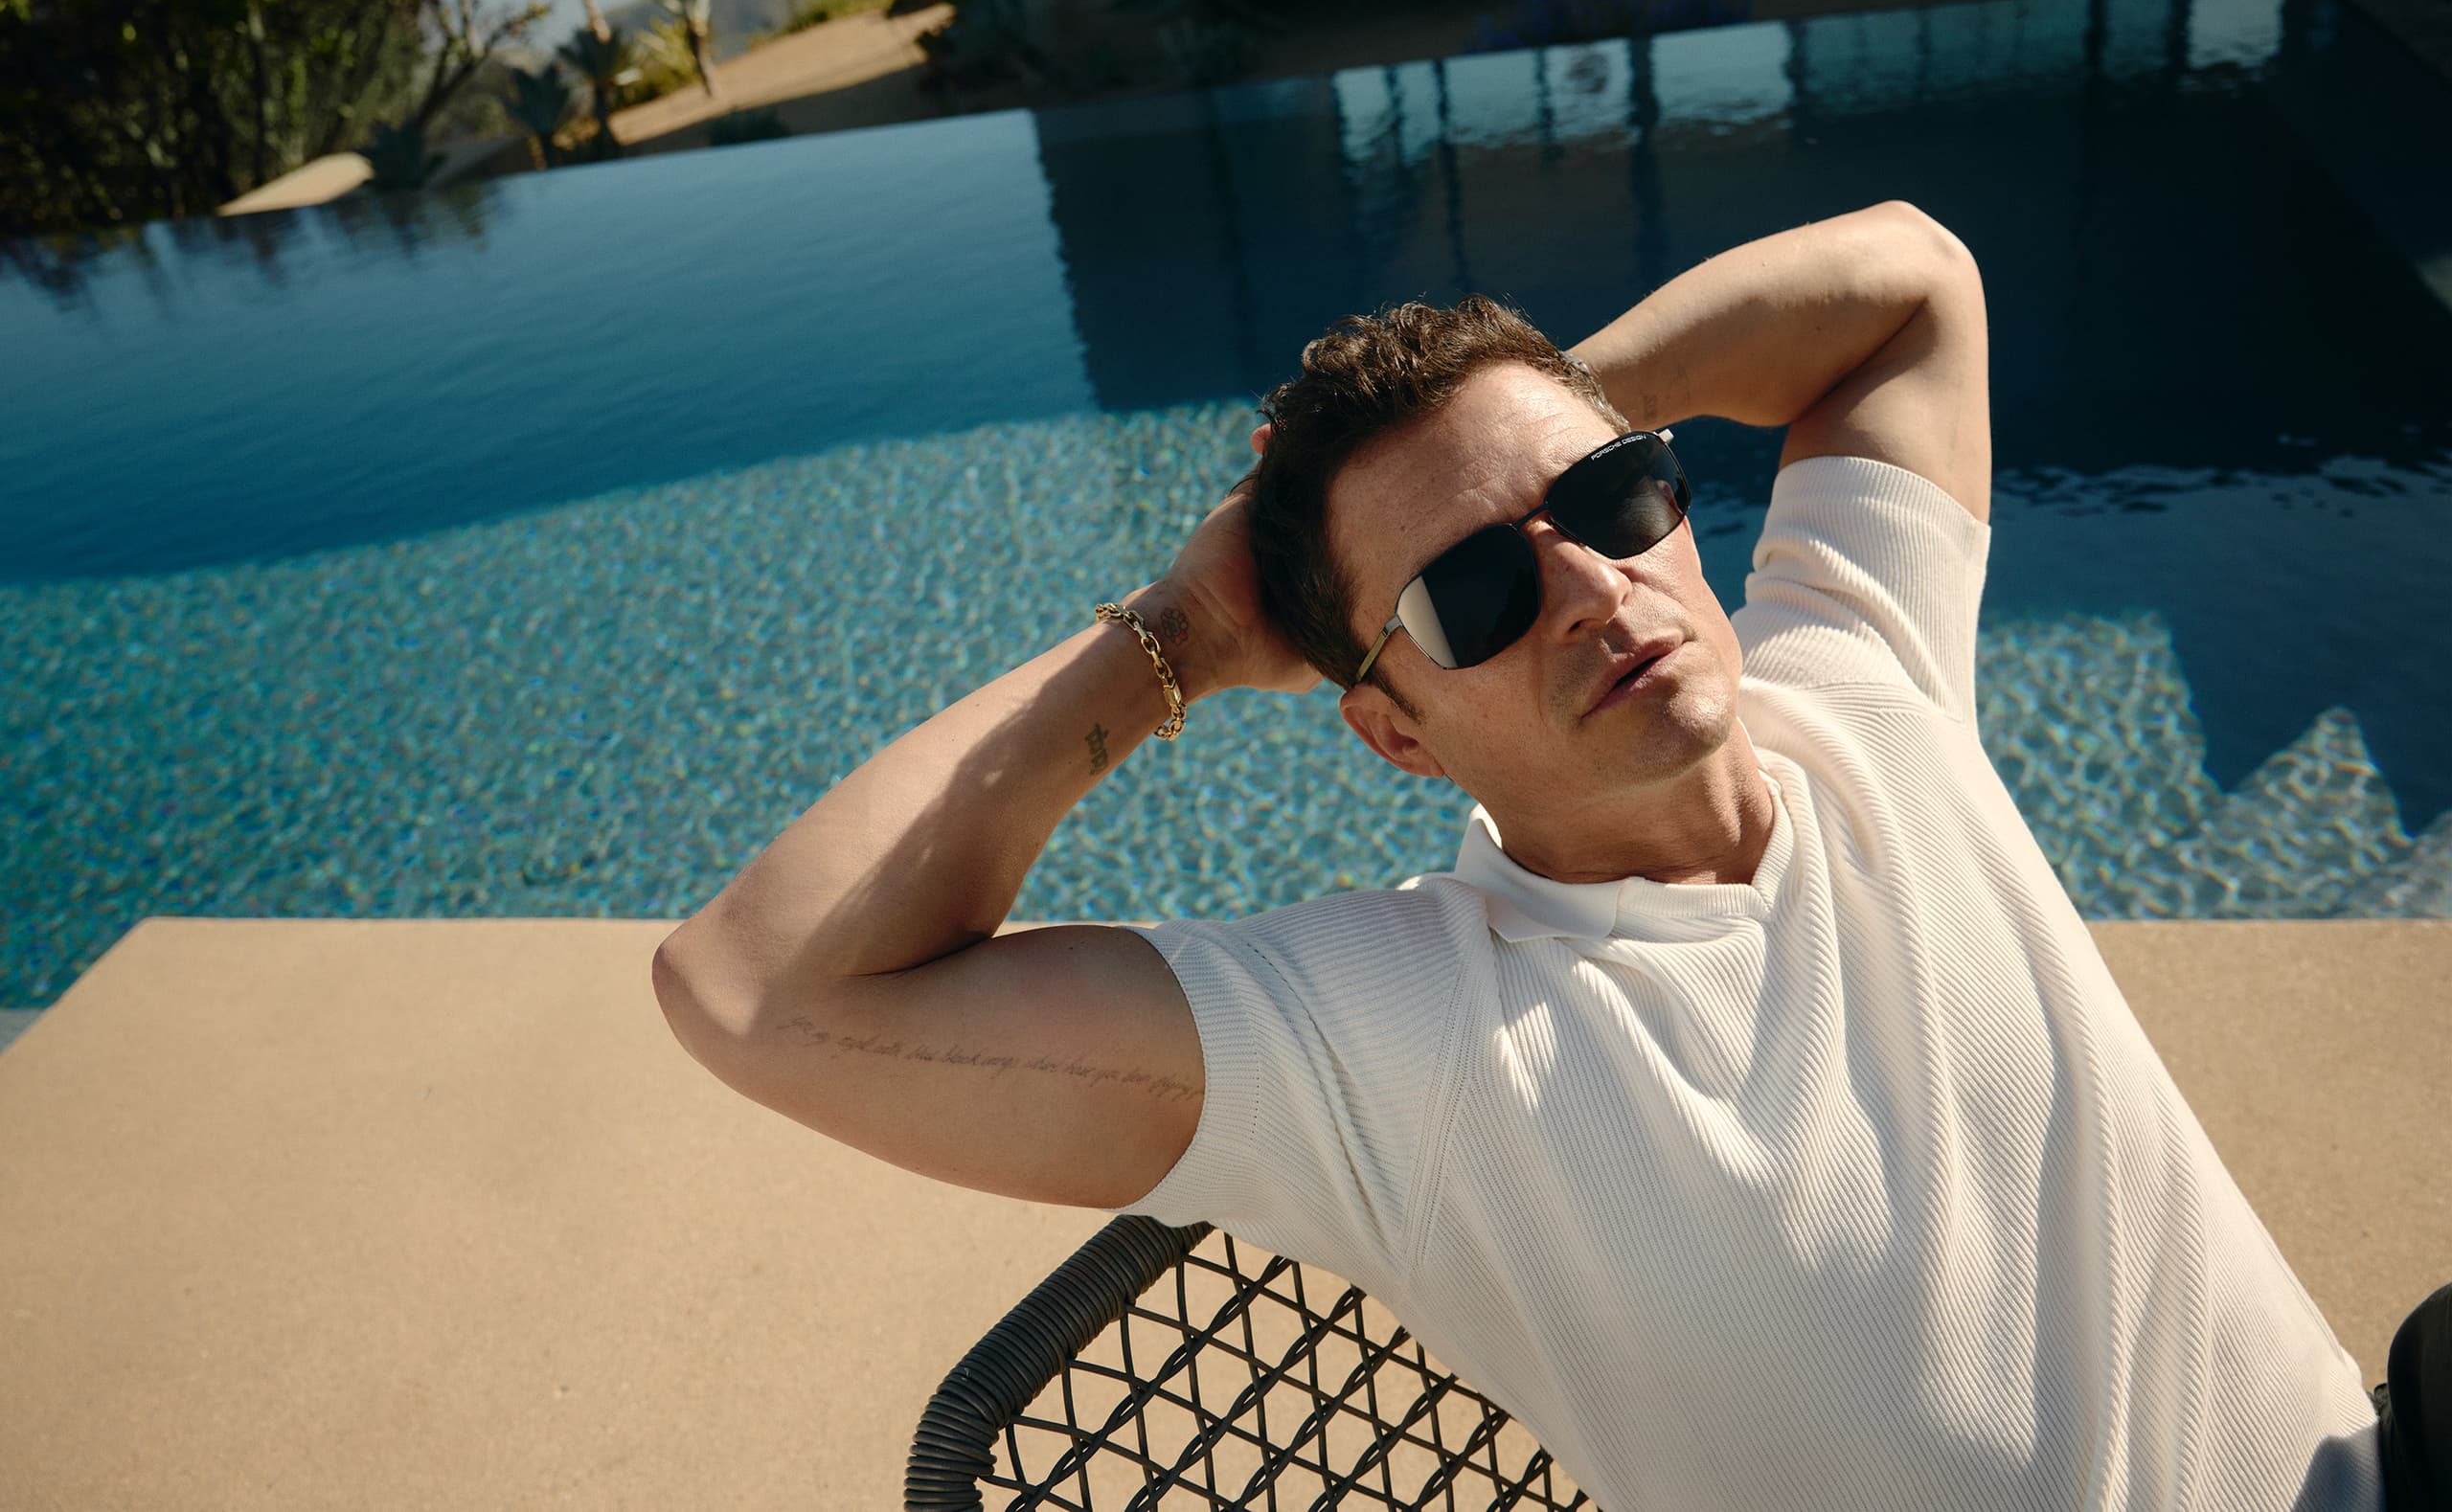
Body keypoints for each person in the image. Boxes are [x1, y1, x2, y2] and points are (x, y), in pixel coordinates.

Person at [652, 201, 2400, 1510]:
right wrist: (1183, 627)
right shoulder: (1405, 1042)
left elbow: (1910, 278)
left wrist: (1550, 405)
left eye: (1617, 500)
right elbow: (758, 988)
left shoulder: (1866, 687)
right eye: (1472, 591)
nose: (1585, 585)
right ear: (1395, 733)